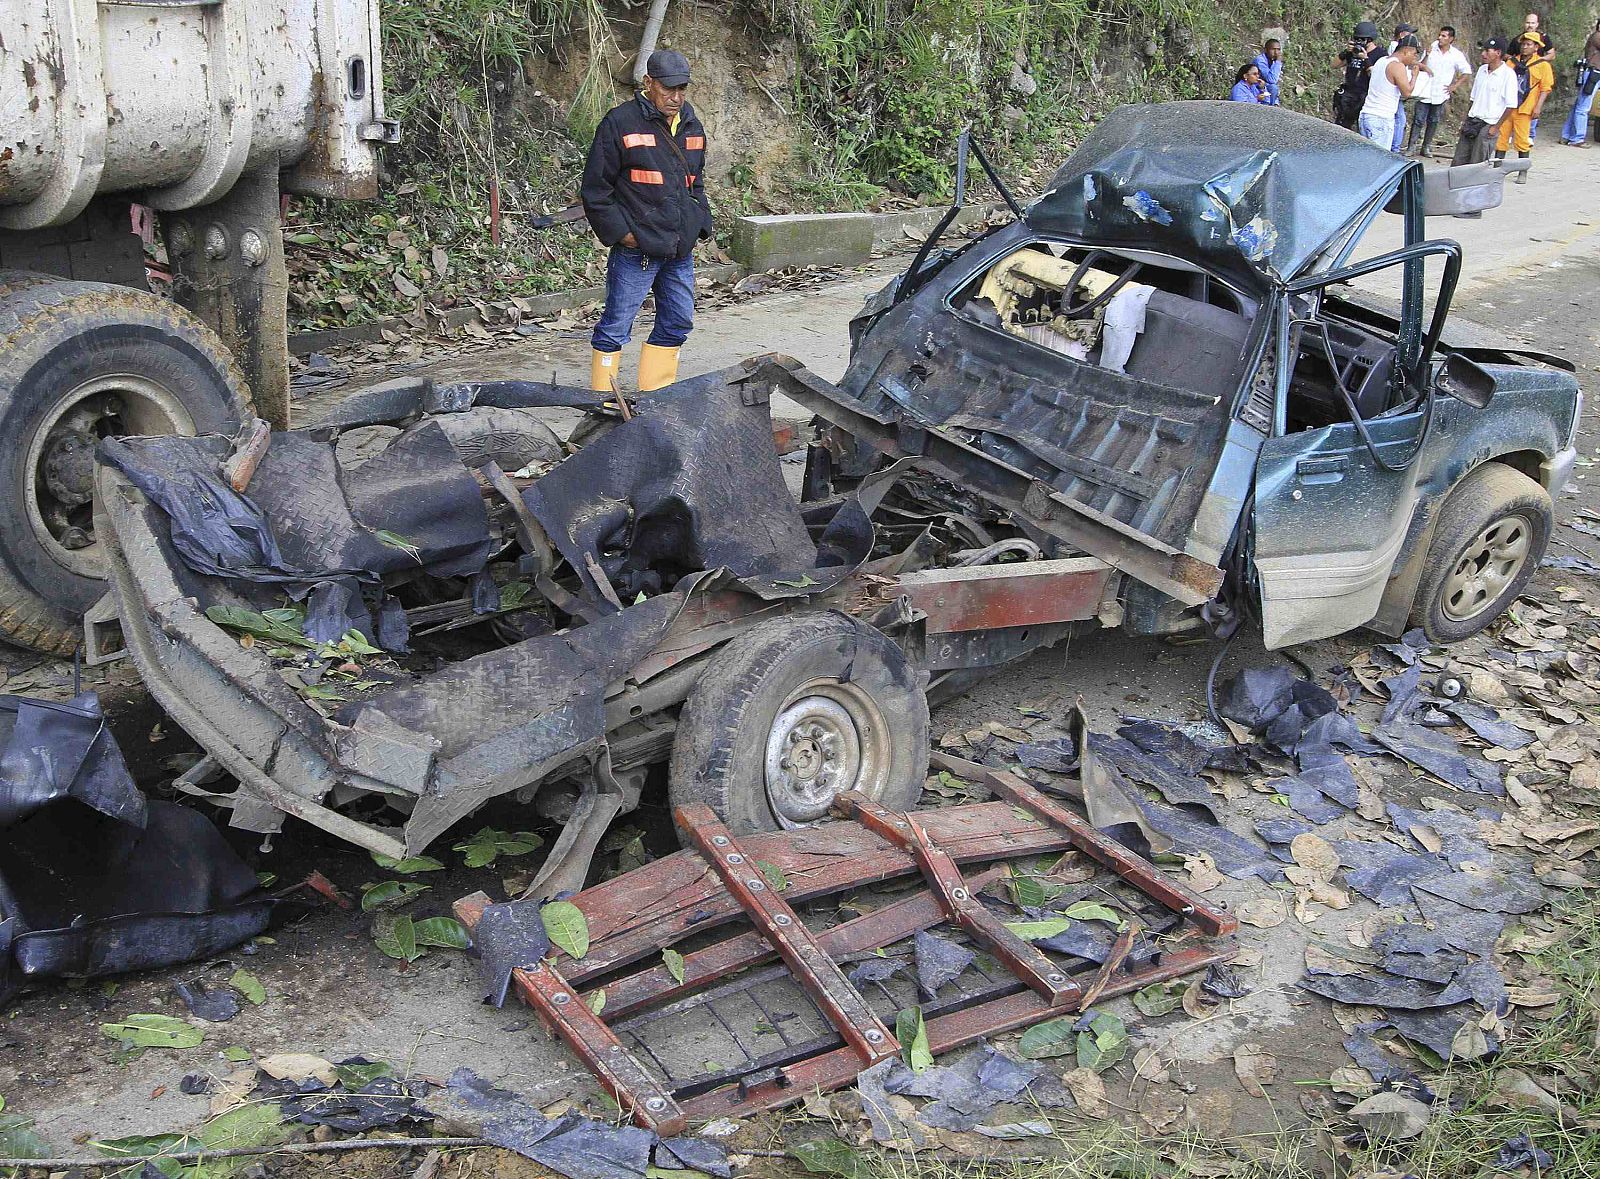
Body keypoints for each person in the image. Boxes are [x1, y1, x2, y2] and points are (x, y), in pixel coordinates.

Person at [580, 49, 712, 394]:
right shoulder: (619, 123)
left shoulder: (690, 122)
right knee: (616, 327)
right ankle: (602, 402)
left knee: (677, 322)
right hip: (637, 249)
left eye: (682, 88)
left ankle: (656, 397)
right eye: (669, 89)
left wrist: (699, 223)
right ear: (648, 83)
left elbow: (695, 181)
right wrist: (624, 235)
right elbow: (596, 190)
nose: (677, 97)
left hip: (678, 249)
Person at [1496, 32, 1555, 181]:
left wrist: (1538, 107)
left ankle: (1523, 172)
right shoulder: (1511, 62)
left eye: (1528, 44)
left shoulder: (1543, 65)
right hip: (1507, 107)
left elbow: (1545, 88)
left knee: (1522, 140)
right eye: (1523, 44)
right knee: (1501, 138)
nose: (1524, 47)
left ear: (1536, 47)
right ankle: (1497, 171)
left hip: (1525, 109)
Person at [1453, 37, 1520, 166]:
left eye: (1487, 51)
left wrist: (1496, 127)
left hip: (1489, 123)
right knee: (1459, 159)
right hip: (1473, 119)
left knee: (1478, 162)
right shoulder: (1482, 70)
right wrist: (1466, 119)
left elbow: (1511, 105)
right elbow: (1473, 98)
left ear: (1498, 53)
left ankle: (1475, 186)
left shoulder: (1508, 74)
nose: (1483, 54)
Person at [1408, 26, 1472, 156]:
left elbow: (1466, 71)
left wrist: (1454, 86)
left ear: (1451, 39)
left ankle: (1426, 147)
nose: (1440, 38)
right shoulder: (1432, 48)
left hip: (1440, 93)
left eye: (1444, 36)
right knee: (1418, 119)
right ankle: (1411, 147)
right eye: (1440, 35)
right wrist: (1427, 55)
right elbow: (1420, 65)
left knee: (1434, 120)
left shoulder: (1456, 55)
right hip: (1425, 91)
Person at [1360, 34, 1430, 150]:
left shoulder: (1381, 61)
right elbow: (1407, 92)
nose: (1414, 59)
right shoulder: (1397, 66)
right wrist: (1414, 76)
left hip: (1366, 115)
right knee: (1379, 161)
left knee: (1367, 158)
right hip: (1381, 118)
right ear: (1407, 50)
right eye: (1414, 54)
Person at [1334, 21, 1383, 129]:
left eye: (1362, 40)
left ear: (1370, 39)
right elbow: (1334, 65)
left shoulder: (1380, 55)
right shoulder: (1353, 53)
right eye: (1356, 39)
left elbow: (1375, 77)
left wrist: (1365, 59)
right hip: (1348, 94)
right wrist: (1346, 53)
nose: (1359, 42)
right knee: (1341, 127)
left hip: (1365, 96)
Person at [1560, 17, 1600, 145]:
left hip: (1592, 74)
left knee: (1579, 105)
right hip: (1593, 74)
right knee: (1583, 107)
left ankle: (1566, 135)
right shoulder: (1597, 36)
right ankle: (1577, 139)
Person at [1252, 39, 1284, 105]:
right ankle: (1270, 108)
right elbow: (1272, 80)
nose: (1276, 52)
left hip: (1264, 87)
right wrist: (1278, 62)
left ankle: (1273, 105)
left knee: (1273, 88)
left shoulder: (1273, 61)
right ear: (1266, 50)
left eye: (1278, 49)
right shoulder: (1260, 60)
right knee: (1273, 87)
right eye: (1273, 49)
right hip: (1255, 86)